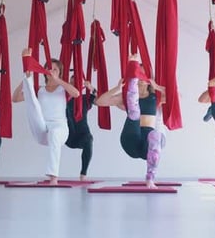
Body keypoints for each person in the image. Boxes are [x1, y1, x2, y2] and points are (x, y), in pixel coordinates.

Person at [95, 54, 166, 189]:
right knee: (134, 113)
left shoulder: (156, 97)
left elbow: (176, 98)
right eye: (138, 75)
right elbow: (100, 102)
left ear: (148, 79)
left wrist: (158, 87)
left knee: (156, 135)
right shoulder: (124, 98)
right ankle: (131, 74)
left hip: (148, 146)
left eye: (142, 76)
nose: (141, 79)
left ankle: (150, 179)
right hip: (131, 141)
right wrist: (117, 88)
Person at [12, 48, 79, 185]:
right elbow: (15, 98)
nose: (52, 71)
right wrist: (25, 80)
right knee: (33, 101)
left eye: (55, 69)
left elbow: (76, 93)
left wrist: (58, 80)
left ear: (59, 72)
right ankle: (27, 75)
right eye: (49, 68)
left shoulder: (63, 89)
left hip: (60, 129)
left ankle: (53, 177)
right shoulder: (39, 89)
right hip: (42, 128)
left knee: (54, 133)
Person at [65, 75, 96, 181]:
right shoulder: (63, 97)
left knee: (89, 139)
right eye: (71, 83)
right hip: (67, 135)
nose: (74, 86)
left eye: (76, 83)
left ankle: (83, 175)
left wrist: (91, 88)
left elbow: (100, 99)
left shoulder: (84, 98)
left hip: (82, 135)